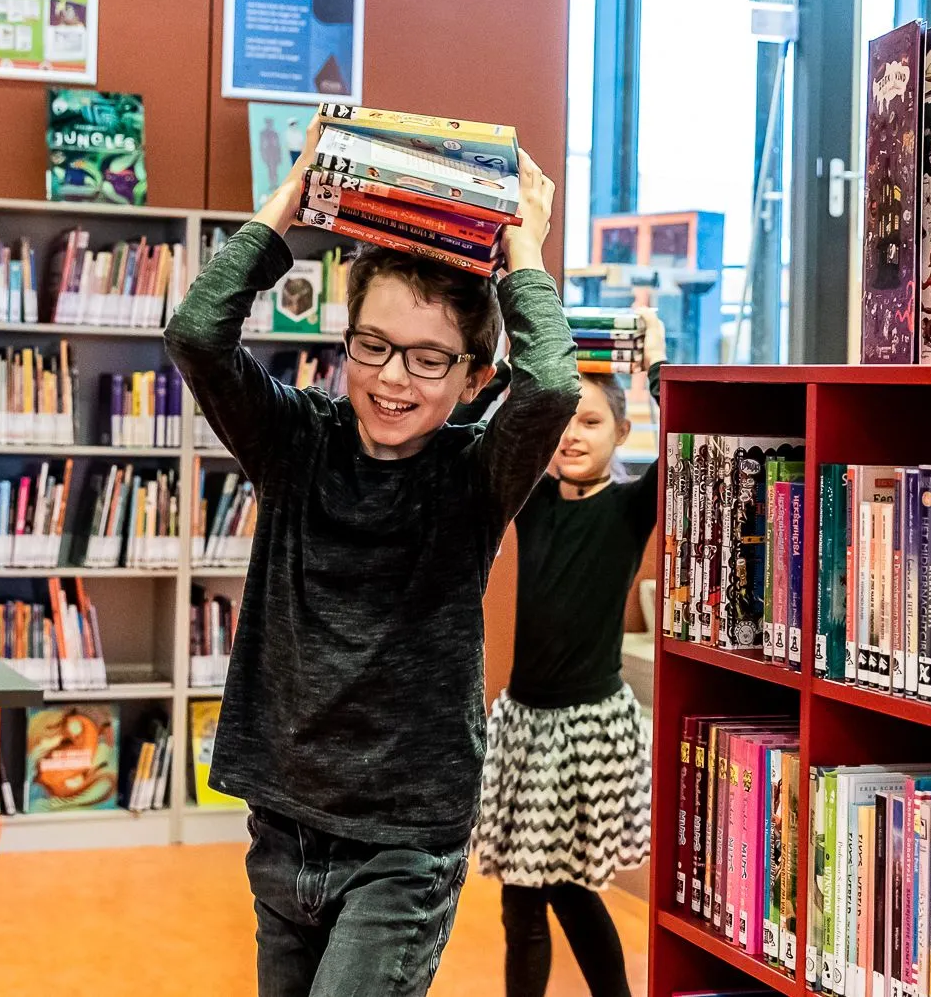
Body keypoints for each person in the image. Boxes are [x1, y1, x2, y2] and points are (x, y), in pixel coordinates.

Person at [163, 114, 581, 997]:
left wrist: (523, 251)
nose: (394, 378)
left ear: (474, 379)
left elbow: (548, 386)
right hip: (284, 824)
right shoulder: (293, 440)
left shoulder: (475, 474)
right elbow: (199, 332)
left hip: (403, 846)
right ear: (345, 343)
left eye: (430, 361)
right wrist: (294, 198)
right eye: (373, 347)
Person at [457, 312, 666, 997]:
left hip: (588, 731)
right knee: (520, 900)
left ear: (622, 432)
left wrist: (657, 371)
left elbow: (690, 450)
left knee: (571, 893)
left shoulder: (631, 507)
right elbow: (485, 425)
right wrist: (521, 363)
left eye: (592, 422)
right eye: (563, 422)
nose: (572, 436)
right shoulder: (534, 497)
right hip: (525, 723)